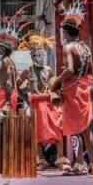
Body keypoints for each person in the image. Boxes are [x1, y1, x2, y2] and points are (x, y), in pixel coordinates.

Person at [49, 0, 93, 175]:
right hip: (84, 88)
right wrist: (88, 88)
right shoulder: (85, 48)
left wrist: (56, 82)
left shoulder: (68, 47)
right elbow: (92, 71)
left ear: (66, 32)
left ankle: (79, 163)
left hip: (72, 89)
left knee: (73, 128)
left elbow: (70, 69)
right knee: (86, 129)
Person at [17, 29, 66, 171]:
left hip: (50, 104)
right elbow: (17, 86)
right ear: (32, 57)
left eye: (42, 55)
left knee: (56, 130)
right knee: (37, 133)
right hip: (35, 105)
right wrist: (26, 98)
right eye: (38, 55)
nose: (40, 58)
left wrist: (57, 98)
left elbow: (55, 86)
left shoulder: (49, 69)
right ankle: (41, 160)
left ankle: (61, 159)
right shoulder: (27, 71)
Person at [0, 7, 27, 115]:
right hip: (9, 94)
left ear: (2, 49)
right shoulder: (10, 62)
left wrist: (7, 103)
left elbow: (9, 82)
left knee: (4, 124)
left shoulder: (5, 61)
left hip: (6, 95)